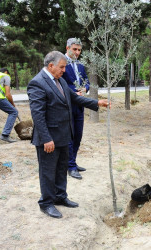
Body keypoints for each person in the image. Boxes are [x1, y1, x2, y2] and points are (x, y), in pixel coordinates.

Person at [27, 51, 109, 219]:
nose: (64, 70)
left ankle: (60, 197)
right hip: (49, 138)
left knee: (61, 168)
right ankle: (47, 203)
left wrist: (97, 103)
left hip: (64, 135)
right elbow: (38, 115)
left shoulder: (60, 80)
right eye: (62, 67)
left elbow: (74, 98)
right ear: (51, 66)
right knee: (48, 171)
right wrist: (46, 138)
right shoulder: (37, 83)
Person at [62, 38, 90, 180]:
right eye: (75, 49)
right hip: (67, 105)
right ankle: (71, 167)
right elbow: (59, 82)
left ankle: (72, 161)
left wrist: (85, 88)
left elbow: (86, 81)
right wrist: (74, 92)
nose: (77, 52)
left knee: (78, 135)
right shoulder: (61, 63)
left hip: (79, 105)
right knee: (70, 136)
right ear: (67, 48)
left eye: (79, 50)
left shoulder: (80, 65)